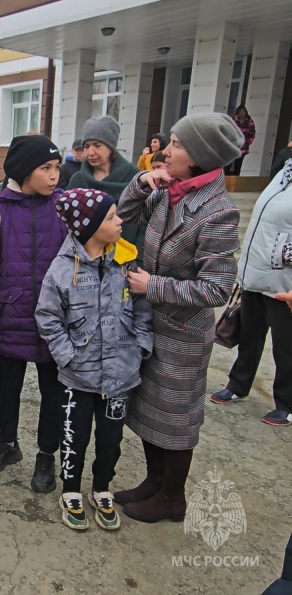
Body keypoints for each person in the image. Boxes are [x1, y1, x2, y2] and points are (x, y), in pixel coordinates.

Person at [114, 112, 243, 523]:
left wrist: (152, 286)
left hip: (183, 335)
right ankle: (154, 484)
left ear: (200, 157)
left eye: (177, 145)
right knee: (150, 414)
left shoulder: (217, 211)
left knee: (174, 422)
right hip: (152, 325)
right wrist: (141, 182)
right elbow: (125, 214)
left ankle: (172, 497)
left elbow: (217, 289)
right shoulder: (173, 190)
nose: (165, 152)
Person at [36, 188, 153, 531]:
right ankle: (71, 489)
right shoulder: (61, 269)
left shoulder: (127, 261)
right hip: (78, 376)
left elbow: (144, 309)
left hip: (121, 374)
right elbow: (47, 317)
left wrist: (140, 346)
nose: (120, 222)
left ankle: (101, 488)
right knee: (74, 434)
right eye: (112, 217)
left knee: (111, 438)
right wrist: (67, 356)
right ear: (88, 227)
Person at [0, 135, 66, 493]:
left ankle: (46, 454)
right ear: (26, 171)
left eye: (56, 168)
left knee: (52, 393)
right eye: (46, 168)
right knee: (8, 388)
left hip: (53, 320)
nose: (54, 175)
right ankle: (8, 444)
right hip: (10, 315)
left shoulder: (63, 206)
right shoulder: (1, 209)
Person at [210, 158, 292, 425]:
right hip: (256, 275)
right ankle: (238, 384)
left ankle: (287, 403)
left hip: (285, 283)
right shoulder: (283, 173)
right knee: (249, 336)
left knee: (286, 347)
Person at [68, 116, 143, 263]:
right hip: (84, 263)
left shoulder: (134, 179)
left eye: (97, 145)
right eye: (87, 146)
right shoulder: (78, 180)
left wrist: (139, 261)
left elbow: (144, 227)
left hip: (125, 261)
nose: (90, 152)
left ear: (111, 146)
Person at [225, 106, 256, 176]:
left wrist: (248, 142)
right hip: (233, 147)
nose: (242, 113)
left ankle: (236, 181)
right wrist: (236, 121)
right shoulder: (233, 121)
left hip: (243, 147)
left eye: (243, 112)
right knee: (227, 166)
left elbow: (252, 133)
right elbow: (230, 131)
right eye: (240, 112)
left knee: (238, 167)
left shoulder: (249, 122)